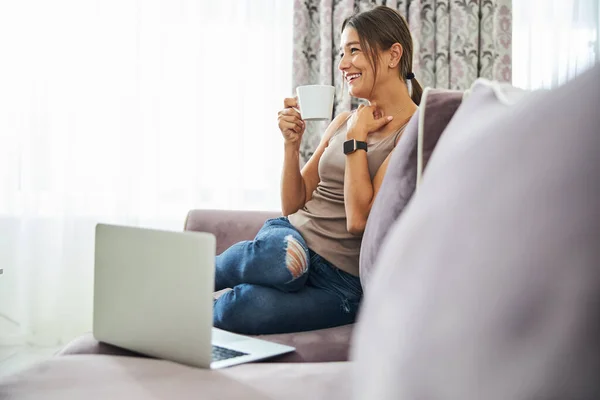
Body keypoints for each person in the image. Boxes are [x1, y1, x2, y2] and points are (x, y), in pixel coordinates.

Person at [213, 5, 422, 335]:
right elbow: (292, 204)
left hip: (341, 283)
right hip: (291, 238)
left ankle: (195, 311)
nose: (342, 65)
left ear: (393, 54)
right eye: (342, 53)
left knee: (246, 309)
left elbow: (358, 222)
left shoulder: (413, 134)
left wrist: (357, 138)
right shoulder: (342, 121)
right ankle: (187, 279)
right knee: (282, 261)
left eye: (354, 50)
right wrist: (291, 145)